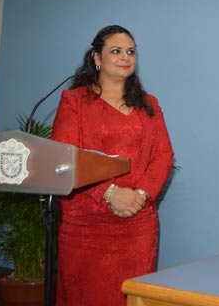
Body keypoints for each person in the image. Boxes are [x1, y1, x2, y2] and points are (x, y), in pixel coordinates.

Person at [51, 25, 174, 306]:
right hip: (86, 224)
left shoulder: (148, 104)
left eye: (131, 52)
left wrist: (140, 195)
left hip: (137, 223)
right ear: (96, 58)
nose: (125, 57)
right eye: (116, 51)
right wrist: (110, 193)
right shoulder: (74, 101)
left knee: (132, 298)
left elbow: (164, 155)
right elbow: (66, 156)